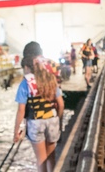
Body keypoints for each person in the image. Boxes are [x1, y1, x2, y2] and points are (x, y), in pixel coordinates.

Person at [14, 41, 65, 172]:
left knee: (41, 160)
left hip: (36, 122)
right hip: (52, 120)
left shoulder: (25, 83)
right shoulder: (50, 79)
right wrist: (58, 120)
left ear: (27, 65)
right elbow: (61, 104)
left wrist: (16, 132)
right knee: (51, 158)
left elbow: (21, 110)